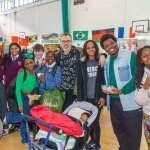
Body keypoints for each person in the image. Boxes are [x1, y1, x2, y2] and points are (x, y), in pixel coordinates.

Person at [100, 34, 142, 150]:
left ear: (116, 42)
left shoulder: (130, 55)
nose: (110, 47)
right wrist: (107, 89)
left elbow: (136, 77)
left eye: (111, 43)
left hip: (131, 102)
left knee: (133, 134)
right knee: (119, 131)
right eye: (106, 46)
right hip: (114, 103)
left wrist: (122, 90)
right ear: (104, 49)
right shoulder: (107, 61)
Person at [56, 33, 106, 111]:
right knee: (65, 111)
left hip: (77, 89)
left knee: (78, 113)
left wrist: (103, 55)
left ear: (71, 42)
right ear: (60, 42)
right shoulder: (57, 55)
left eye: (68, 41)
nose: (65, 43)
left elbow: (92, 52)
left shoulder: (78, 51)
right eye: (63, 41)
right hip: (63, 90)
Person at [77, 40, 106, 150]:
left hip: (98, 98)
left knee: (95, 121)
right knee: (87, 121)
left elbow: (104, 80)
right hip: (86, 98)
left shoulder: (101, 61)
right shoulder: (82, 63)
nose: (91, 50)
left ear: (96, 48)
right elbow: (79, 82)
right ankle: (91, 141)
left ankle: (97, 144)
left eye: (92, 47)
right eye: (88, 48)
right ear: (85, 50)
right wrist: (80, 99)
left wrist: (103, 96)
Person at [15, 50, 38, 144]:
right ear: (24, 65)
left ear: (34, 62)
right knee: (25, 120)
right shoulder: (22, 74)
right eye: (27, 63)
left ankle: (34, 138)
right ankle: (24, 139)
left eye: (31, 62)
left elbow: (35, 87)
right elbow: (17, 90)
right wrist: (20, 104)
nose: (29, 65)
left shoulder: (35, 74)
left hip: (32, 99)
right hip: (24, 98)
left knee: (33, 119)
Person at [134, 46, 150, 150]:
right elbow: (139, 101)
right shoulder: (141, 75)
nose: (149, 57)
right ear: (141, 60)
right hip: (148, 115)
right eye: (145, 56)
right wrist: (146, 85)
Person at [3, 42, 23, 113]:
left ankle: (19, 122)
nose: (14, 50)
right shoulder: (6, 58)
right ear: (10, 50)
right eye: (12, 49)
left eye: (16, 48)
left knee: (19, 106)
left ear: (19, 49)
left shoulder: (23, 58)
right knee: (11, 105)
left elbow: (30, 66)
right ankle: (14, 123)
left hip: (18, 87)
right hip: (8, 86)